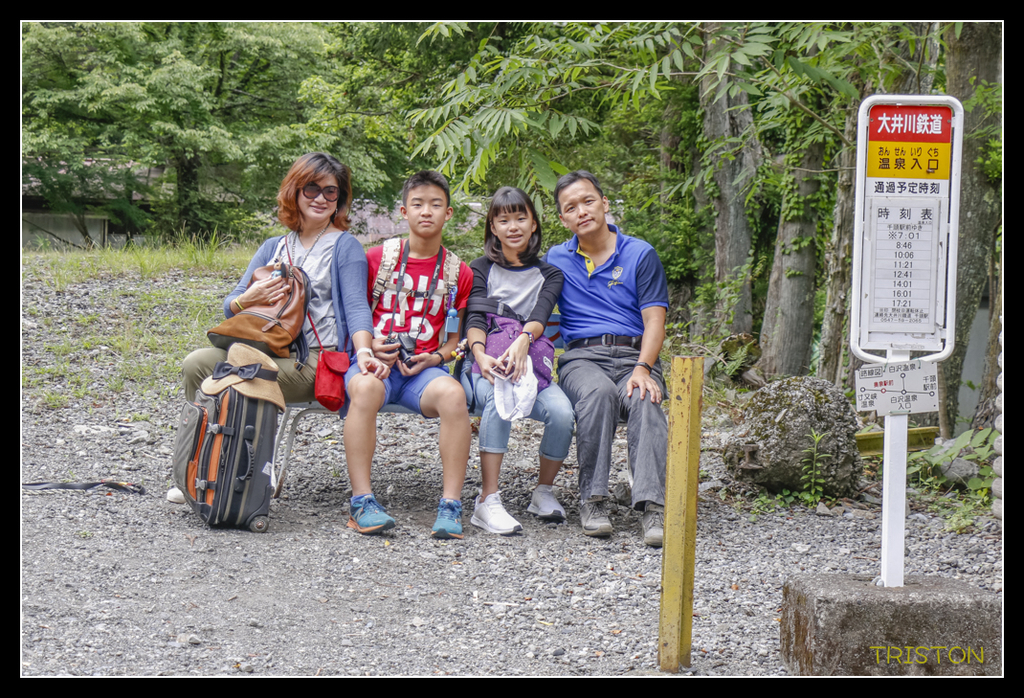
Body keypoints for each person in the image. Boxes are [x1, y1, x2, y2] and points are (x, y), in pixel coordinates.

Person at [181, 152, 386, 405]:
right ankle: (201, 442)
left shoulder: (345, 247)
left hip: (313, 358)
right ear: (295, 191)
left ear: (339, 198)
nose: (321, 198)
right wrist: (247, 299)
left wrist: (364, 351)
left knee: (241, 379)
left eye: (330, 191)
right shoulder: (272, 247)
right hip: (263, 347)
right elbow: (230, 306)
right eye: (312, 189)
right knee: (196, 364)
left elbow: (356, 307)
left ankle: (244, 445)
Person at [343, 170, 473, 539]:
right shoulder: (377, 258)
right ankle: (362, 502)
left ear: (448, 213)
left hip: (421, 372)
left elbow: (453, 340)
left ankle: (450, 506)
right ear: (404, 211)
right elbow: (355, 311)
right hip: (374, 363)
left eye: (436, 204)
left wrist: (438, 358)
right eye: (417, 204)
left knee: (453, 395)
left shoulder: (457, 272)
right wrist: (368, 349)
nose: (426, 212)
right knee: (366, 390)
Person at [545, 170, 669, 547]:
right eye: (571, 208)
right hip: (582, 358)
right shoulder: (556, 258)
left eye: (587, 201)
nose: (581, 211)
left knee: (644, 399)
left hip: (635, 356)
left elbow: (654, 319)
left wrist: (643, 369)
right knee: (597, 394)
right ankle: (593, 500)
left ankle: (653, 507)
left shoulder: (640, 254)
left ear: (604, 203)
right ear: (563, 219)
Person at [462, 187, 575, 535]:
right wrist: (480, 357)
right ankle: (488, 499)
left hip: (531, 366)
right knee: (498, 397)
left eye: (520, 217)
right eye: (503, 219)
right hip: (487, 363)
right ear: (492, 227)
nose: (513, 226)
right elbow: (475, 318)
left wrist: (524, 340)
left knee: (562, 413)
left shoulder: (550, 274)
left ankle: (543, 491)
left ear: (534, 223)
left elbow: (541, 314)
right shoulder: (479, 268)